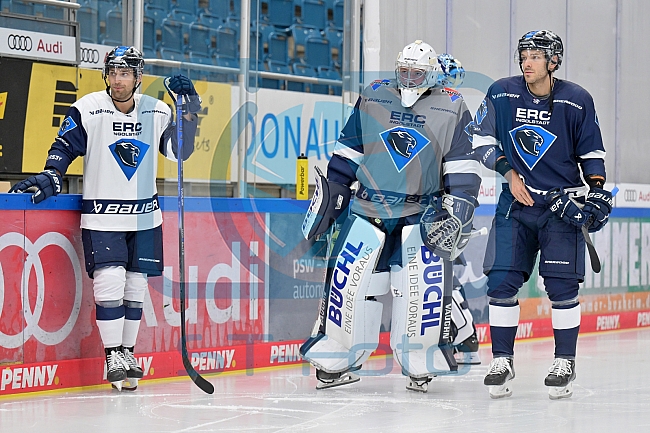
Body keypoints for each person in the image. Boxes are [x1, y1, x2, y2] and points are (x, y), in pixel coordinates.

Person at [9, 46, 202, 391]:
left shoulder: (157, 111)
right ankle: (113, 353)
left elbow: (178, 152)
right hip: (102, 216)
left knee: (135, 286)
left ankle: (128, 353)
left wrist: (188, 115)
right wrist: (53, 173)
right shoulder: (88, 108)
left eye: (125, 73)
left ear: (138, 77)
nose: (117, 79)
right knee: (110, 282)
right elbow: (64, 146)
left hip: (145, 216)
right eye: (113, 72)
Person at [300, 40, 482, 393]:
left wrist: (460, 205)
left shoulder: (454, 105)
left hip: (421, 212)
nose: (409, 79)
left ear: (430, 74)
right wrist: (335, 188)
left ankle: (421, 356)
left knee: (418, 290)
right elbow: (349, 148)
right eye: (404, 72)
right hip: (367, 208)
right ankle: (338, 352)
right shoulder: (374, 95)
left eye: (417, 73)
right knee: (350, 286)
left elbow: (462, 166)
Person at [469, 30, 612, 399]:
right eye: (523, 54)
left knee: (562, 287)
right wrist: (507, 170)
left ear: (553, 61)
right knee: (500, 283)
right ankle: (502, 359)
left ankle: (565, 360)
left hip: (560, 208)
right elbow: (480, 142)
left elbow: (592, 153)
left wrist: (596, 191)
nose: (526, 61)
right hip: (515, 205)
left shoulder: (577, 101)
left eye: (535, 55)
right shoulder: (501, 92)